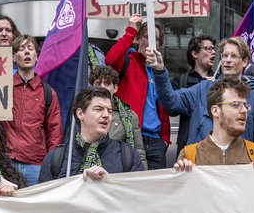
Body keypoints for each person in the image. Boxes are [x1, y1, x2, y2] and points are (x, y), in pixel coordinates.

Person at [149, 37, 254, 150]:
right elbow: (171, 101)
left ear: (245, 61)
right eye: (225, 56)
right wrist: (159, 70)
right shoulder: (203, 89)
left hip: (240, 162)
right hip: (204, 161)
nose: (227, 60)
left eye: (234, 56)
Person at [104, 15, 170, 169]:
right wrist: (131, 30)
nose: (152, 42)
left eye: (157, 39)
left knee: (156, 192)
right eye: (148, 37)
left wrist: (165, 139)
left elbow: (164, 105)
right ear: (138, 39)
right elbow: (110, 60)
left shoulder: (159, 70)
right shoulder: (129, 59)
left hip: (155, 142)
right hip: (130, 137)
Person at [39, 87, 145, 182]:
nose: (106, 115)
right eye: (98, 109)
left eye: (109, 111)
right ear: (80, 114)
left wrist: (109, 183)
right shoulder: (56, 159)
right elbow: (43, 201)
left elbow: (137, 198)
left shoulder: (128, 155)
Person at [172, 77, 254, 169]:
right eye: (236, 105)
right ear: (215, 111)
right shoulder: (189, 155)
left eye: (246, 106)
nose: (244, 110)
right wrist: (182, 176)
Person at [4, 35, 62, 186]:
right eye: (21, 49)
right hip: (5, 161)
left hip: (35, 165)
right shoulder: (2, 87)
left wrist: (50, 164)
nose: (27, 52)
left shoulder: (48, 93)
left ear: (37, 56)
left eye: (30, 49)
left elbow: (55, 132)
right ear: (13, 58)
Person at [90, 65, 146, 166]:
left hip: (120, 172)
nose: (102, 87)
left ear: (115, 88)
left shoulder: (130, 117)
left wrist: (139, 179)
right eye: (98, 83)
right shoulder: (83, 114)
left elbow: (139, 153)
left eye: (107, 83)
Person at [174, 34, 216, 149]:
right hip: (187, 144)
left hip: (214, 144)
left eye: (213, 49)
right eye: (208, 49)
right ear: (195, 54)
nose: (213, 52)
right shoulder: (181, 80)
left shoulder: (220, 81)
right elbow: (171, 110)